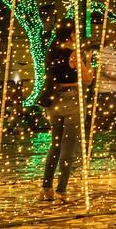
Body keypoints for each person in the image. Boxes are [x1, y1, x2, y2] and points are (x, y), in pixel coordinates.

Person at [39, 18, 93, 203]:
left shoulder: (52, 53)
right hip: (71, 102)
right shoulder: (73, 55)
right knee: (68, 148)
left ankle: (46, 188)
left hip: (54, 102)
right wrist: (89, 61)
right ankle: (62, 190)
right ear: (71, 35)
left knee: (55, 146)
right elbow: (88, 79)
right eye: (76, 33)